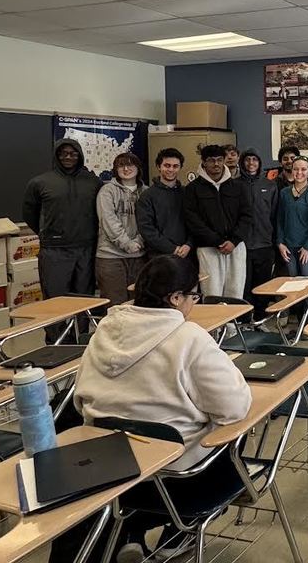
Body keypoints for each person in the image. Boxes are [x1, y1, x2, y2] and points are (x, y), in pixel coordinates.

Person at [55, 255, 252, 563]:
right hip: (178, 480)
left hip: (106, 475)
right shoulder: (189, 338)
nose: (193, 305)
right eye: (192, 297)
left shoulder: (105, 329)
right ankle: (176, 534)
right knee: (236, 438)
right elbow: (234, 408)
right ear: (175, 298)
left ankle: (130, 533)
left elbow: (79, 399)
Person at [22, 139, 100, 313]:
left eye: (73, 154)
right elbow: (29, 213)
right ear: (56, 155)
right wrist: (49, 233)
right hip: (54, 251)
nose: (68, 157)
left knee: (84, 300)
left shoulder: (93, 182)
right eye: (63, 153)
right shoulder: (40, 182)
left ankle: (80, 339)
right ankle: (55, 339)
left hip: (85, 250)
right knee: (55, 302)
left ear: (80, 156)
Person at [183, 144, 252, 298]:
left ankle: (232, 322)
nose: (216, 164)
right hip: (209, 248)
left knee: (235, 291)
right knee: (212, 292)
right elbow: (193, 220)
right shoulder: (193, 189)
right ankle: (216, 323)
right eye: (211, 160)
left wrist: (233, 241)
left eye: (220, 160)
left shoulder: (238, 187)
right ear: (203, 162)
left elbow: (247, 215)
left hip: (236, 246)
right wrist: (217, 241)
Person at [94, 153, 146, 307]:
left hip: (139, 256)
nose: (126, 168)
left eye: (130, 164)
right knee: (115, 305)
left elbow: (149, 223)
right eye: (121, 165)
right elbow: (108, 221)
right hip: (111, 257)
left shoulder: (146, 192)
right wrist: (126, 243)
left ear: (138, 168)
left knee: (139, 304)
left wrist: (138, 241)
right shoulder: (107, 191)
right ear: (115, 170)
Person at [277, 156, 308, 317]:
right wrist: (280, 243)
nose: (299, 172)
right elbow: (279, 219)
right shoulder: (284, 193)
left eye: (303, 169)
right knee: (294, 285)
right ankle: (298, 320)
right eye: (296, 169)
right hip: (289, 246)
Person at [238, 147, 278, 316]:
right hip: (242, 245)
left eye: (254, 159)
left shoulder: (270, 185)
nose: (251, 163)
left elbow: (275, 214)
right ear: (242, 162)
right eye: (247, 159)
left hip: (265, 243)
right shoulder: (234, 185)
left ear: (259, 163)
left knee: (262, 284)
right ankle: (245, 319)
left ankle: (261, 317)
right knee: (243, 284)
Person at [136, 147, 192, 261]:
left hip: (187, 254)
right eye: (167, 165)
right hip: (158, 257)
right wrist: (172, 249)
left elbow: (195, 223)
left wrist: (189, 245)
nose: (171, 169)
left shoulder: (188, 193)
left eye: (175, 166)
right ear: (158, 166)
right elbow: (147, 229)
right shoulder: (147, 196)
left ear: (180, 167)